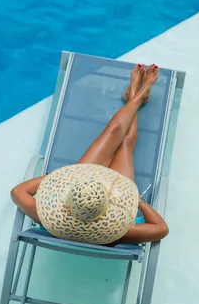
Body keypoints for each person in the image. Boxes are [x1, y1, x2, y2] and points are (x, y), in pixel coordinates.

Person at [11, 64, 169, 245]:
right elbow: (161, 229)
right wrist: (136, 199)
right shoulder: (117, 230)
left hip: (84, 186)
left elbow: (17, 192)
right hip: (109, 196)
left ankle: (135, 95)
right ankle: (138, 95)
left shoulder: (51, 220)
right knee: (123, 140)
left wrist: (57, 179)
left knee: (117, 133)